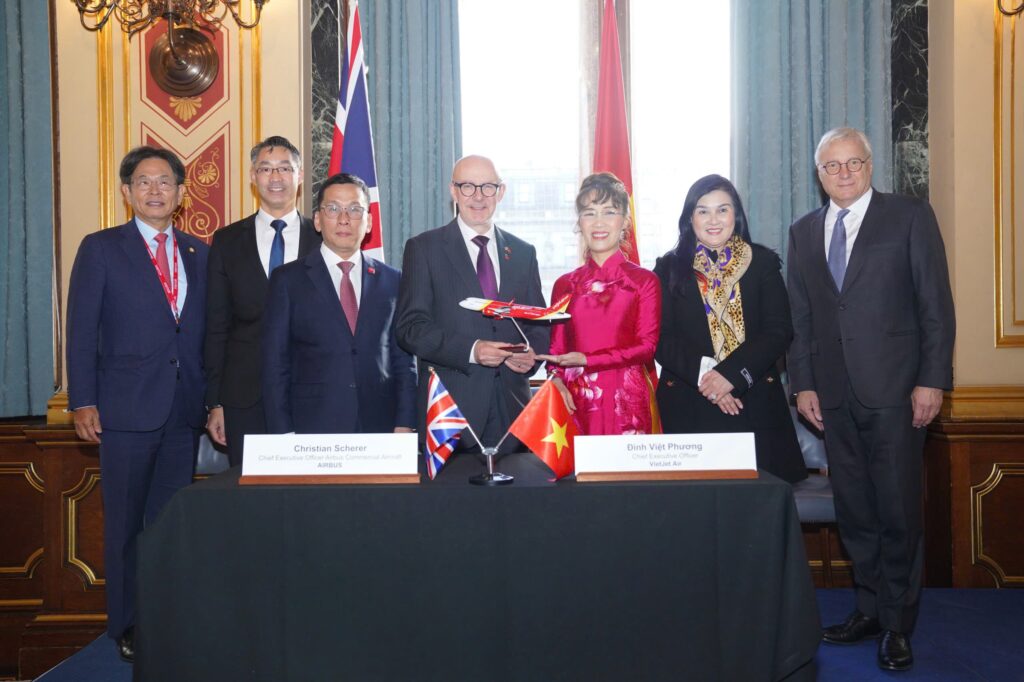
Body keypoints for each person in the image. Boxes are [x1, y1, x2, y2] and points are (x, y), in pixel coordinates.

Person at [787, 127, 955, 672]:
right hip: (832, 395)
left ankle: (898, 624)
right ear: (819, 174)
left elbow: (935, 305)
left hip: (898, 393)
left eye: (852, 163)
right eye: (831, 166)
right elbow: (801, 317)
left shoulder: (909, 216)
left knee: (897, 510)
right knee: (855, 510)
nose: (843, 173)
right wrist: (803, 383)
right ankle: (869, 608)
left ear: (870, 165)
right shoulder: (803, 231)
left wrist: (932, 380)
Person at [66, 146, 209, 661]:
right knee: (125, 526)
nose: (155, 190)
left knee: (168, 526)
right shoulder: (102, 248)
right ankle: (126, 625)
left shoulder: (199, 252)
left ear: (180, 193)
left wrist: (212, 401)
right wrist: (83, 400)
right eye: (144, 182)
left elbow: (204, 334)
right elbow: (81, 330)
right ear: (126, 191)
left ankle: (165, 618)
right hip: (124, 412)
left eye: (165, 181)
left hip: (182, 412)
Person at [654, 174, 807, 484]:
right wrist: (711, 378)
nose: (714, 220)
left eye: (722, 210)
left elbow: (779, 330)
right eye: (703, 211)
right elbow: (660, 338)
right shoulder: (667, 268)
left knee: (758, 505)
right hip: (689, 403)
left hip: (754, 401)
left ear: (735, 215)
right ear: (690, 218)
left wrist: (731, 376)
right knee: (691, 505)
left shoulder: (763, 262)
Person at [396, 155, 549, 453]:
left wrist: (532, 356)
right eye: (468, 186)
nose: (478, 196)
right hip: (449, 413)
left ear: (501, 192)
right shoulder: (423, 249)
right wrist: (472, 351)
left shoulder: (523, 252)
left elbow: (538, 323)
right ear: (453, 191)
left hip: (513, 413)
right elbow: (410, 328)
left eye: (487, 187)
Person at [261, 173, 416, 434]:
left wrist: (405, 422)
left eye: (355, 209)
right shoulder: (288, 280)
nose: (344, 219)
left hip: (380, 427)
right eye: (333, 209)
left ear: (369, 222)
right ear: (318, 220)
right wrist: (282, 432)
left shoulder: (392, 280)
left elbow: (403, 361)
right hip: (311, 427)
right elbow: (275, 363)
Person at [204, 136, 320, 464]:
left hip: (311, 392)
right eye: (266, 169)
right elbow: (216, 326)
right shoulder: (226, 241)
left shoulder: (322, 239)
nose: (275, 177)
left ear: (299, 176)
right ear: (253, 177)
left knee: (311, 489)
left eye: (285, 168)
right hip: (244, 398)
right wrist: (215, 402)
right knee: (249, 489)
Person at [537, 172, 661, 435]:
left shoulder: (644, 281)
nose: (599, 222)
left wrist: (587, 359)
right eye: (589, 213)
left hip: (627, 402)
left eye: (609, 212)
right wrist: (555, 379)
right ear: (579, 222)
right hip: (576, 401)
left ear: (625, 221)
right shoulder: (565, 285)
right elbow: (556, 351)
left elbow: (647, 348)